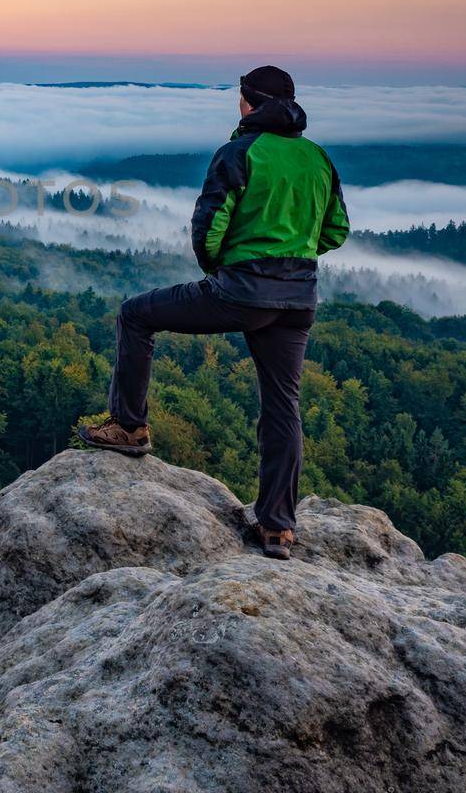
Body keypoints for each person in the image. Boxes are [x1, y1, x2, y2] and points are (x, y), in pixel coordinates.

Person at [78, 65, 349, 560]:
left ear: (247, 103)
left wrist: (227, 269)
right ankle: (277, 528)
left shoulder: (238, 153)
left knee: (136, 315)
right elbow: (335, 232)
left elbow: (207, 230)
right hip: (298, 300)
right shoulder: (318, 159)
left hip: (241, 293)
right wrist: (291, 251)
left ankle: (130, 426)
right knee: (283, 406)